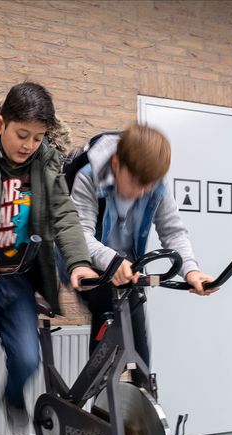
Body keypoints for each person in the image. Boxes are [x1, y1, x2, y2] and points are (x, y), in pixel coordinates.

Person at [0, 82, 97, 430]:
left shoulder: (46, 163)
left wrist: (78, 263)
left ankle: (13, 395)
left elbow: (64, 215)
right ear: (1, 125)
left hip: (19, 281)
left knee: (29, 360)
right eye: (22, 134)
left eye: (37, 137)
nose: (28, 145)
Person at [69, 124, 215, 366]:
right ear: (116, 164)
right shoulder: (88, 177)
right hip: (86, 261)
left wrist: (191, 270)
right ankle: (101, 391)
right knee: (105, 303)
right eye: (137, 183)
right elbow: (80, 235)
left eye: (149, 185)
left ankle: (142, 386)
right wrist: (112, 262)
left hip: (129, 267)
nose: (143, 192)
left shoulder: (154, 185)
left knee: (136, 319)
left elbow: (173, 232)